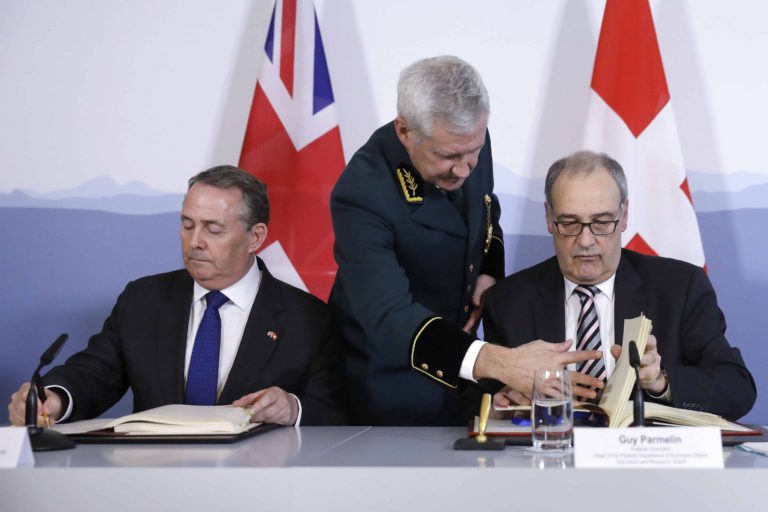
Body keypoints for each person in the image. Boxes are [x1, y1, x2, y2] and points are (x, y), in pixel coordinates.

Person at [329, 56, 602, 425]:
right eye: (448, 156)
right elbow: (389, 315)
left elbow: (486, 213)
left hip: (466, 370)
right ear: (405, 131)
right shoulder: (362, 192)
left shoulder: (467, 136)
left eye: (473, 152)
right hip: (390, 377)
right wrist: (501, 362)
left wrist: (489, 272)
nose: (463, 169)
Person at [8, 165, 347, 427]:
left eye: (213, 229)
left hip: (256, 482)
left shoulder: (309, 319)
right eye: (187, 225)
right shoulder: (143, 300)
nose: (195, 241)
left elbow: (337, 410)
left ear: (255, 237)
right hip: (155, 479)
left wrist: (293, 409)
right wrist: (55, 398)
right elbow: (96, 373)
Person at [481, 150, 756, 420]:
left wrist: (661, 382)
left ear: (624, 216)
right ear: (549, 219)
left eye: (602, 222)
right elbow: (478, 398)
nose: (585, 240)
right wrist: (502, 403)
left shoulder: (680, 288)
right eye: (569, 223)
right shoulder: (508, 300)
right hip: (551, 446)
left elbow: (737, 388)